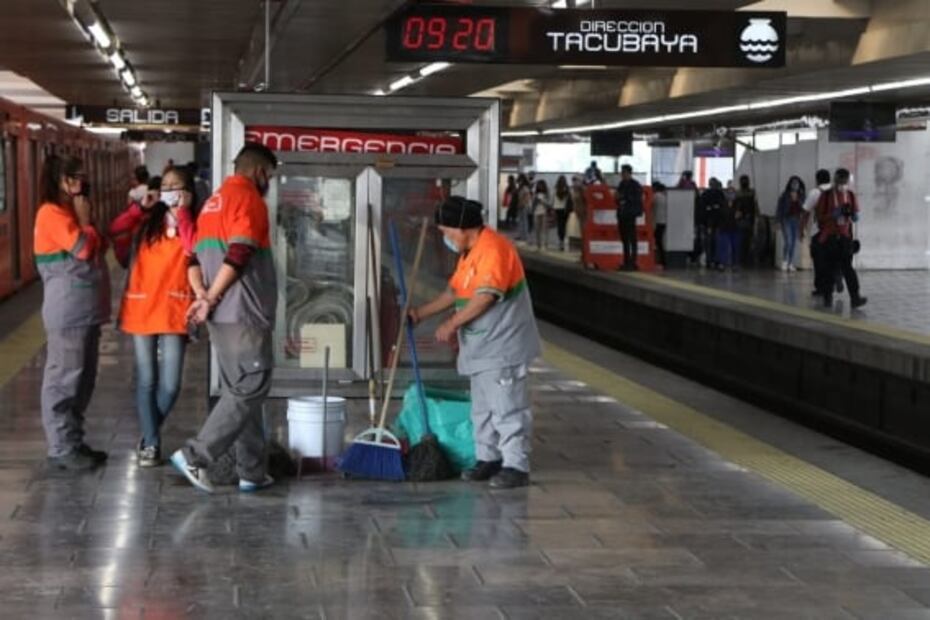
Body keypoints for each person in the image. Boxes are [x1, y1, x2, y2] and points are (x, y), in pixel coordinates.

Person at [170, 143, 279, 494]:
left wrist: (202, 296)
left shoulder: (212, 204)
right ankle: (195, 455)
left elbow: (192, 260)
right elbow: (240, 252)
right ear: (260, 172)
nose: (270, 183)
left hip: (221, 315)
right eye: (270, 176)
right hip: (243, 313)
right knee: (251, 387)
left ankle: (252, 471)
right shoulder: (249, 200)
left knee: (240, 390)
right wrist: (211, 297)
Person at [410, 196, 541, 489]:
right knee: (482, 409)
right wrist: (420, 314)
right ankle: (488, 458)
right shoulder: (470, 253)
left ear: (460, 227)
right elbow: (453, 293)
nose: (445, 237)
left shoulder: (494, 249)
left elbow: (486, 296)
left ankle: (516, 465)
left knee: (508, 407)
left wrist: (451, 323)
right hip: (482, 348)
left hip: (503, 346)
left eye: (446, 231)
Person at [109, 167, 199, 467]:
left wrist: (183, 213)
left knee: (171, 385)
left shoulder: (194, 221)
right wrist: (139, 208)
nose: (171, 190)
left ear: (189, 190)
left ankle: (149, 432)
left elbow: (193, 246)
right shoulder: (148, 220)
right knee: (147, 380)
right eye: (167, 185)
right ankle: (151, 443)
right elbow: (116, 229)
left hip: (175, 309)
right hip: (142, 308)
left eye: (178, 186)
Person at [34, 155, 111, 470]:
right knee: (64, 379)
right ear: (59, 180)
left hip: (86, 310)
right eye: (75, 178)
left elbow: (99, 246)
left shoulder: (68, 212)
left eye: (83, 176)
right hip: (68, 311)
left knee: (83, 380)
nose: (82, 184)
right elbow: (83, 247)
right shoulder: (51, 213)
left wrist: (87, 225)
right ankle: (61, 448)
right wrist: (86, 222)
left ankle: (74, 441)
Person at [815, 168, 867, 309]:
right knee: (828, 269)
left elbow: (856, 215)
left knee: (848, 269)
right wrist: (833, 215)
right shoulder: (826, 196)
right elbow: (818, 218)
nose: (843, 184)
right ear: (835, 180)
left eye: (845, 182)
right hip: (829, 237)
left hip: (845, 238)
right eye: (840, 181)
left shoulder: (850, 195)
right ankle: (827, 297)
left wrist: (853, 216)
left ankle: (855, 297)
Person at [802, 169, 834, 297]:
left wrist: (801, 229)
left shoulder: (815, 192)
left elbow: (806, 211)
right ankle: (831, 285)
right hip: (835, 231)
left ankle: (820, 287)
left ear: (817, 180)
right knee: (831, 260)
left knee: (819, 261)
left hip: (819, 231)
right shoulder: (837, 191)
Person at [616, 164, 643, 271]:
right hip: (622, 214)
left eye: (624, 173)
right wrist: (619, 198)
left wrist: (624, 197)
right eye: (621, 173)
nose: (622, 175)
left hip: (630, 214)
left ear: (629, 173)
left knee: (631, 238)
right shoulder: (621, 184)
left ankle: (633, 262)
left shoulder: (635, 185)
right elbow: (618, 197)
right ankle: (626, 261)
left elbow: (636, 199)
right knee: (624, 239)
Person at [776, 176, 806, 272]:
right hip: (786, 219)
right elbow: (779, 208)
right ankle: (784, 261)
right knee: (788, 241)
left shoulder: (801, 195)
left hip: (797, 220)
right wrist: (778, 221)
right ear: (790, 184)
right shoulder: (785, 195)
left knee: (793, 243)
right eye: (793, 183)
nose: (795, 185)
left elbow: (804, 208)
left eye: (797, 183)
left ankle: (790, 263)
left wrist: (797, 200)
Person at [698, 179, 727, 269]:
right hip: (716, 222)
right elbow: (723, 208)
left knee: (709, 242)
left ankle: (710, 261)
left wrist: (703, 222)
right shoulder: (720, 194)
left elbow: (702, 209)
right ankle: (716, 261)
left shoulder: (705, 194)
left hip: (709, 223)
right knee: (716, 242)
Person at [713, 178, 741, 271]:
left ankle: (735, 264)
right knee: (723, 247)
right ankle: (722, 263)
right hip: (723, 228)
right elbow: (718, 215)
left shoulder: (738, 204)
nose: (731, 194)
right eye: (729, 192)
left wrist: (739, 215)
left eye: (732, 192)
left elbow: (741, 214)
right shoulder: (722, 203)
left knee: (735, 247)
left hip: (734, 228)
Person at [732, 175, 760, 266]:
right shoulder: (751, 193)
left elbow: (735, 207)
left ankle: (742, 260)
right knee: (747, 240)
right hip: (747, 220)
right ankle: (745, 260)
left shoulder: (738, 193)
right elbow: (755, 206)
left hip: (744, 220)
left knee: (744, 241)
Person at [552, 175, 573, 251]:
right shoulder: (567, 189)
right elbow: (569, 200)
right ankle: (563, 240)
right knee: (564, 225)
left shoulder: (556, 188)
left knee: (559, 225)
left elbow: (553, 199)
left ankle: (561, 241)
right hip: (565, 209)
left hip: (558, 208)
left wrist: (552, 208)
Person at [532, 179, 552, 251]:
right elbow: (533, 203)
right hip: (536, 212)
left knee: (544, 229)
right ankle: (538, 244)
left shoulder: (547, 193)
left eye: (541, 185)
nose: (540, 187)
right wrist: (535, 201)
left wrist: (542, 201)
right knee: (537, 229)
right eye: (538, 185)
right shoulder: (536, 193)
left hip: (544, 212)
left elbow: (549, 204)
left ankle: (545, 244)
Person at [651, 181, 668, 266]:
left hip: (657, 222)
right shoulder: (665, 197)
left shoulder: (656, 196)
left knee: (658, 241)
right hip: (664, 222)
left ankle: (662, 260)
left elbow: (649, 205)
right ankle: (663, 260)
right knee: (660, 241)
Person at [515, 174, 532, 241]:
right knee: (521, 221)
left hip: (524, 206)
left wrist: (522, 204)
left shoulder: (525, 188)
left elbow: (527, 197)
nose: (519, 182)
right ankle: (522, 235)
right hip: (521, 205)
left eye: (520, 180)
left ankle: (525, 236)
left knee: (524, 221)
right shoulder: (521, 188)